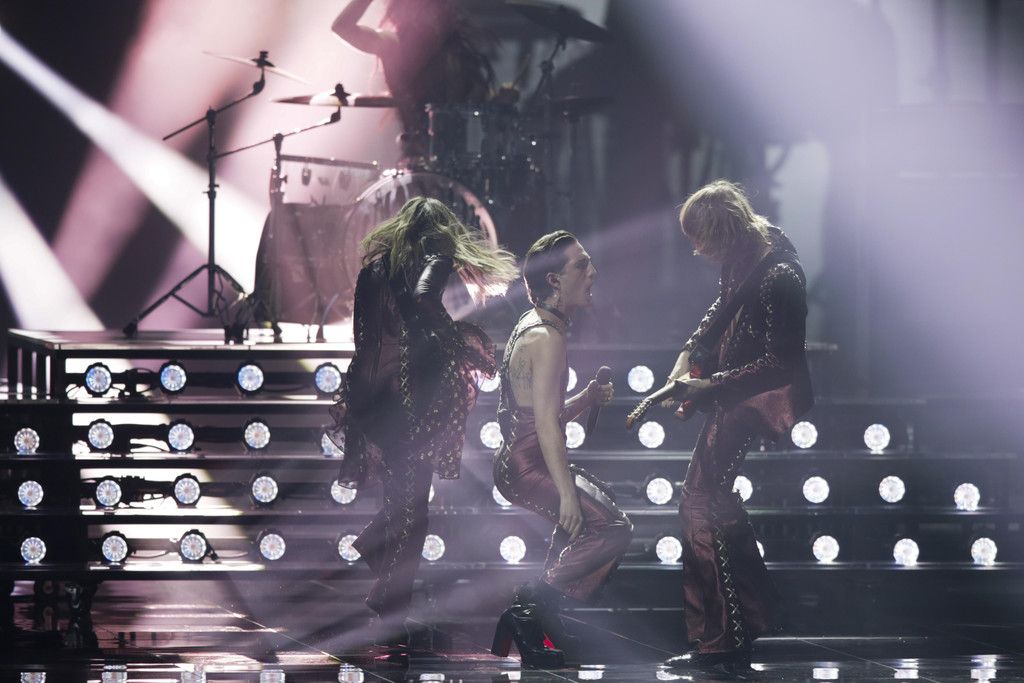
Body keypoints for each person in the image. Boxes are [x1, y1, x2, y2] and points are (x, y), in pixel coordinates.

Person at [326, 197, 517, 658]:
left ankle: (384, 591)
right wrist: (454, 341)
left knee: (403, 504)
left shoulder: (376, 269)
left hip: (375, 398)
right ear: (439, 231)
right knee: (412, 512)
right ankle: (390, 612)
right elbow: (423, 298)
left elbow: (365, 338)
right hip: (409, 403)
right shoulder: (435, 254)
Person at [660, 180, 813, 676]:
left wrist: (711, 385)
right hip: (729, 392)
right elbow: (721, 310)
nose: (697, 250)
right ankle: (746, 617)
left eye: (701, 239)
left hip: (754, 399)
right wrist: (690, 352)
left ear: (723, 233)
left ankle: (724, 637)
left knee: (700, 504)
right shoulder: (744, 256)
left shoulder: (781, 276)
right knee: (709, 503)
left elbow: (780, 364)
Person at [491, 231, 633, 667]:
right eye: (581, 265)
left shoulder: (536, 323)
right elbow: (545, 428)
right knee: (611, 527)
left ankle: (539, 615)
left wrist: (586, 399)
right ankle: (530, 609)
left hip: (519, 459)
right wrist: (566, 493)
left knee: (590, 517)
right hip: (527, 465)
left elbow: (540, 415)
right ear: (554, 280)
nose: (593, 273)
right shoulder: (547, 337)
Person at [331, 0, 495, 161]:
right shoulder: (394, 45)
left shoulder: (458, 52)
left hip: (463, 162)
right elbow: (342, 28)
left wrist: (497, 102)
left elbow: (476, 106)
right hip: (422, 161)